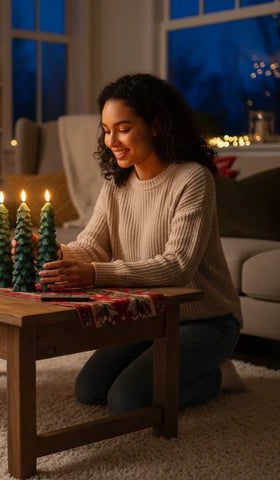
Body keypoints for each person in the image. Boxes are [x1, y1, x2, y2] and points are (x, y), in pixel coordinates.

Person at [15, 73, 245, 414]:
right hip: (148, 315)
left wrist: (93, 275)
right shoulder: (117, 183)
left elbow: (177, 266)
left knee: (128, 400)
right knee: (89, 390)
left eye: (122, 128)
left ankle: (218, 376)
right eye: (107, 130)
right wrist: (52, 250)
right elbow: (91, 246)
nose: (112, 141)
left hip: (205, 321)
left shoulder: (192, 179)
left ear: (155, 125)